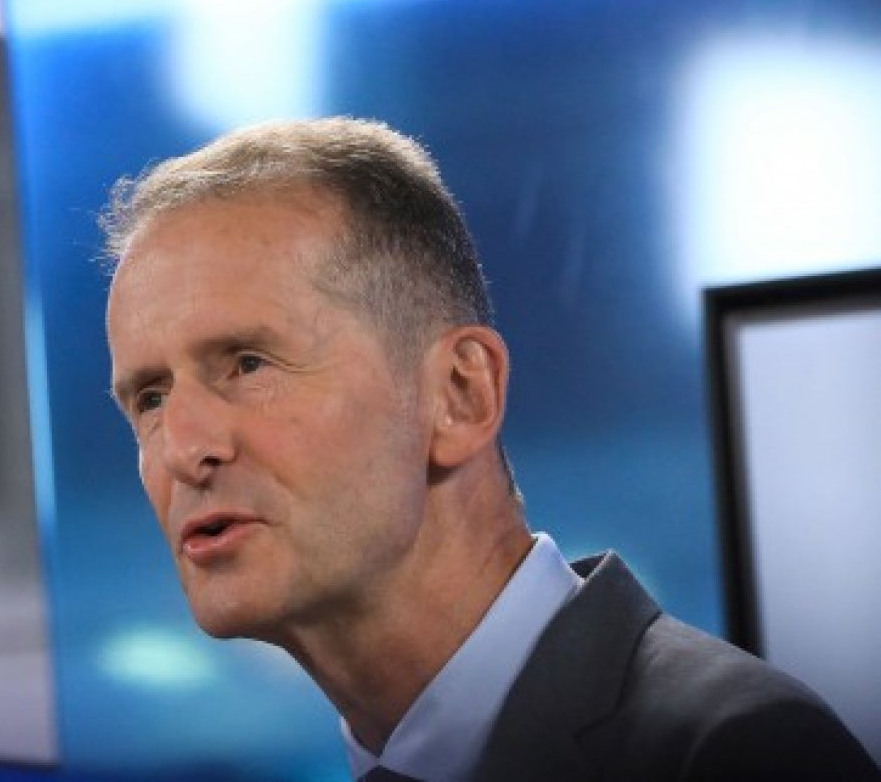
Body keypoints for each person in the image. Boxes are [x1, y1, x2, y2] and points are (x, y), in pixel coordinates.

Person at [100, 117, 879, 782]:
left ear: (460, 394)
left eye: (248, 364)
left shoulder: (734, 752)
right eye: (151, 398)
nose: (183, 451)